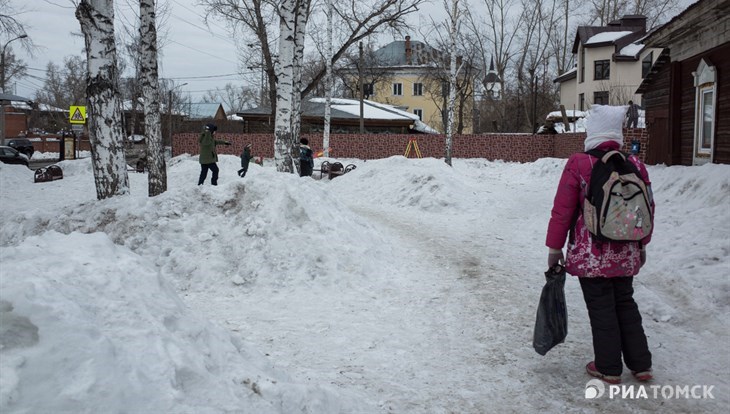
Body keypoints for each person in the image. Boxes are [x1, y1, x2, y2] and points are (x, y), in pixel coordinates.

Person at [545, 104, 654, 385]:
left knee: (602, 308)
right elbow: (648, 208)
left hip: (591, 255)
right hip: (627, 251)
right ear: (616, 133)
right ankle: (641, 365)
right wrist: (641, 245)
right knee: (625, 304)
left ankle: (608, 367)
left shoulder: (580, 163)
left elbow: (562, 210)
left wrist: (555, 249)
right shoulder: (635, 164)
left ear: (591, 132)